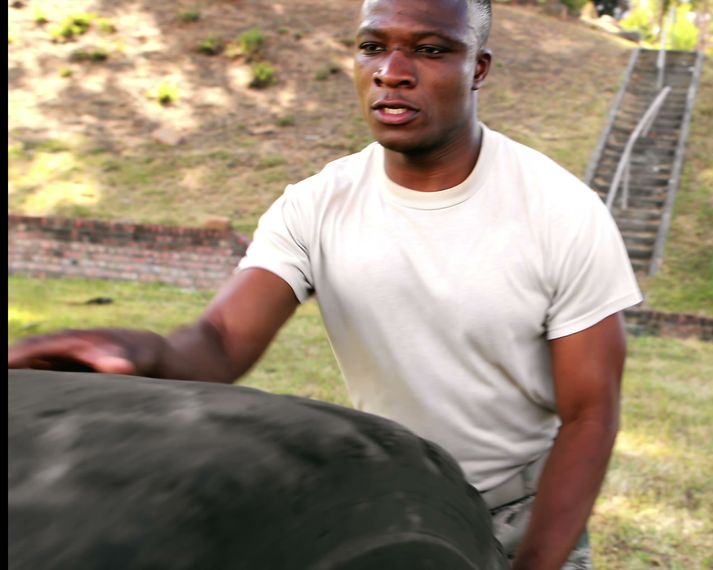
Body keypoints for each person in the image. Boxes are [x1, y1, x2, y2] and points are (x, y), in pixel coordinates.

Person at [6, 0, 643, 568]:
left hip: (523, 503)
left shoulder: (561, 211)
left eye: (430, 49)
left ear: (478, 67)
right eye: (372, 46)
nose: (392, 70)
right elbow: (222, 338)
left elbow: (589, 414)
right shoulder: (315, 204)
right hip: (394, 493)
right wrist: (147, 354)